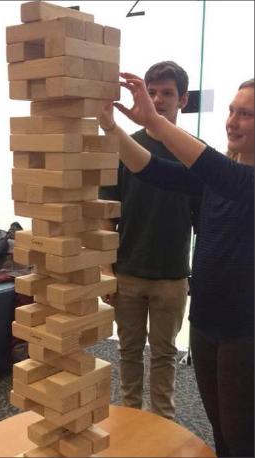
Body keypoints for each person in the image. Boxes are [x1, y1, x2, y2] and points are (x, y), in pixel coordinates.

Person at [98, 76, 254, 457]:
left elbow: (220, 172)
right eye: (232, 110)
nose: (232, 121)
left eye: (246, 114)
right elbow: (152, 169)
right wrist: (112, 128)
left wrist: (154, 122)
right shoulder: (220, 173)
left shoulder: (235, 177)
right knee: (220, 425)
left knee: (243, 434)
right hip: (206, 320)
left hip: (245, 328)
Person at [99, 61, 199, 419]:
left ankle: (162, 424)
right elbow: (107, 216)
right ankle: (130, 418)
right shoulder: (124, 148)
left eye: (167, 93)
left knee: (163, 353)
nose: (158, 100)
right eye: (152, 92)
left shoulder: (196, 154)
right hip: (127, 272)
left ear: (183, 99)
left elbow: (205, 223)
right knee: (127, 351)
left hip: (172, 276)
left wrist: (197, 280)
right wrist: (106, 270)